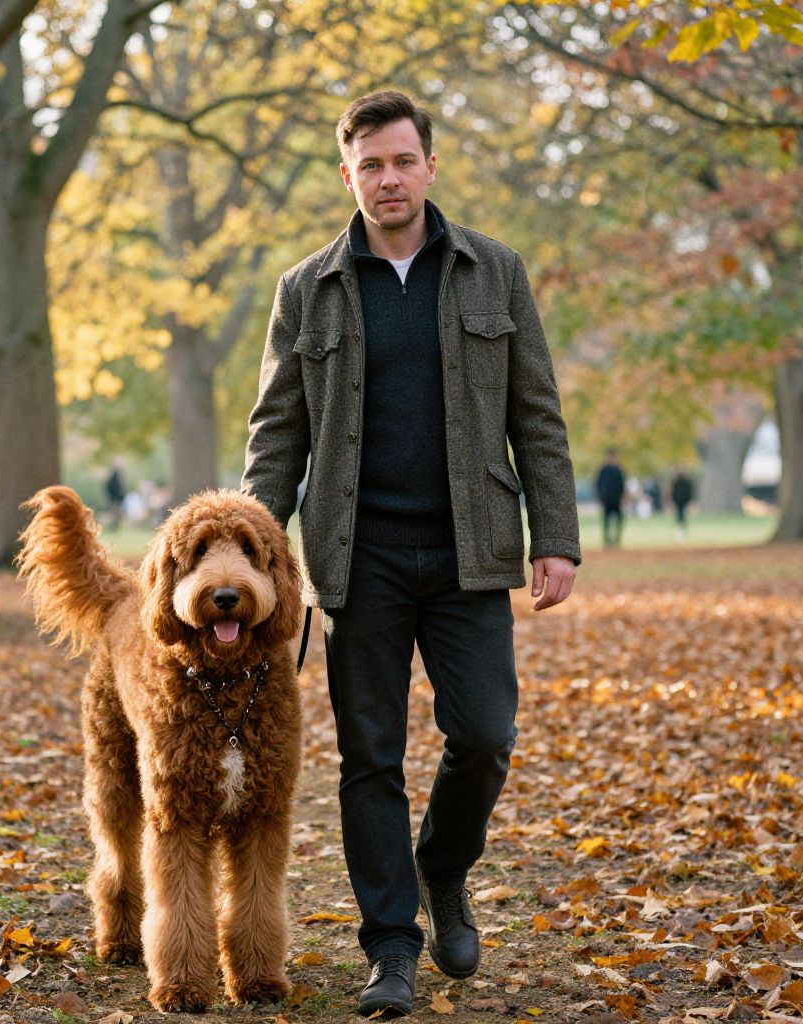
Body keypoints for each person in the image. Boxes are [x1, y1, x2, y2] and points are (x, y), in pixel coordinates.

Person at [241, 91, 580, 1018]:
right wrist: (253, 555)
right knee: (370, 760)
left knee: (483, 737)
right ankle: (391, 946)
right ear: (346, 175)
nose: (387, 179)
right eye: (370, 165)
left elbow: (536, 415)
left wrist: (556, 538)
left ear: (429, 166)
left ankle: (444, 866)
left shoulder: (493, 272)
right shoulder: (305, 290)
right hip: (361, 561)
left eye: (402, 161)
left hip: (473, 553)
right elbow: (277, 436)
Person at [595, 449, 625, 548]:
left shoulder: (618, 470)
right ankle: (607, 540)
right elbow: (599, 484)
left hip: (616, 500)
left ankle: (616, 539)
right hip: (607, 499)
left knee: (619, 519)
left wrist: (622, 496)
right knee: (606, 521)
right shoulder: (604, 470)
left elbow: (622, 485)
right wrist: (601, 497)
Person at [671, 466, 694, 537]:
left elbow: (689, 491)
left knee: (682, 515)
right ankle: (680, 529)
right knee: (679, 515)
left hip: (684, 501)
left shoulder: (687, 481)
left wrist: (689, 500)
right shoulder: (676, 481)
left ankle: (682, 529)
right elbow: (673, 491)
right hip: (678, 501)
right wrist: (673, 500)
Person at [104, 460, 125, 531]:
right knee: (114, 514)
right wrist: (115, 496)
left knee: (116, 514)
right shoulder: (114, 476)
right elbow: (110, 486)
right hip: (115, 498)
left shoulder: (116, 475)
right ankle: (113, 528)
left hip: (116, 498)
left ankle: (115, 527)